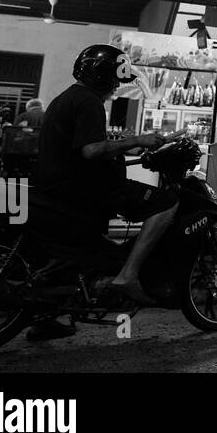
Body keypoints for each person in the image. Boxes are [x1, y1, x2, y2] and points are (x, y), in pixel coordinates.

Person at [32, 44, 176, 312]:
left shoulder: (67, 98)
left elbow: (83, 145)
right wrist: (138, 140)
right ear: (103, 76)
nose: (116, 86)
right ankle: (128, 275)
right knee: (166, 203)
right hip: (82, 189)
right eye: (115, 79)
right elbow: (92, 150)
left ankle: (47, 316)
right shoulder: (89, 102)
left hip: (57, 187)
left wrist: (124, 145)